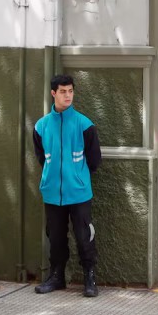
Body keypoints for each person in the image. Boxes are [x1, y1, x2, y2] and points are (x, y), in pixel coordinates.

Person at [33, 74, 102, 298]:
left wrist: (77, 177)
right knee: (56, 237)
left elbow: (94, 160)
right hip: (52, 192)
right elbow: (41, 157)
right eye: (63, 91)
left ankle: (90, 277)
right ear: (53, 93)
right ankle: (57, 276)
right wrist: (52, 177)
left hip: (79, 192)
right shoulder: (41, 126)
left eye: (70, 91)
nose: (68, 95)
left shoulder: (84, 125)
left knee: (84, 236)